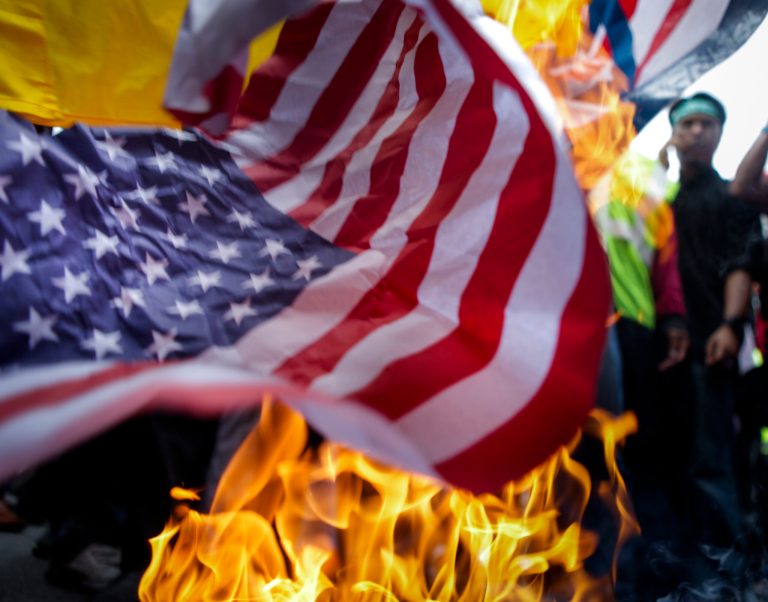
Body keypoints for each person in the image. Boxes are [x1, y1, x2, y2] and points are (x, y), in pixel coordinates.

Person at [663, 93, 761, 582]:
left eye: (707, 123)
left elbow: (742, 263)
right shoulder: (657, 201)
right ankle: (685, 565)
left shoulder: (731, 198)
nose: (697, 131)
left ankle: (728, 569)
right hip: (661, 352)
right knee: (673, 457)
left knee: (712, 457)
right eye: (689, 123)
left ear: (721, 133)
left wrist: (730, 324)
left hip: (713, 345)